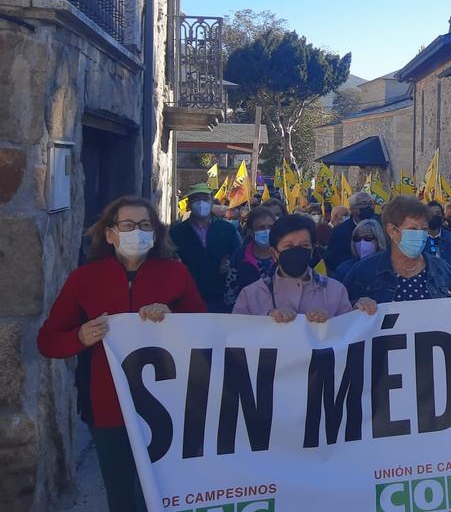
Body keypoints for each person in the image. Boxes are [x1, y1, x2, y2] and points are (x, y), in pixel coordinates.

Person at [38, 196, 206, 512]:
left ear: (156, 233)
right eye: (127, 225)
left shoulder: (175, 275)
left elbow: (201, 329)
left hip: (167, 408)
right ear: (110, 233)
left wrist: (172, 318)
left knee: (162, 493)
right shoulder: (84, 279)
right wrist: (80, 336)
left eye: (145, 225)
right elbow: (48, 341)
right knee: (121, 497)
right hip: (106, 409)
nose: (136, 232)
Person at [234, 214, 376, 322]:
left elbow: (349, 338)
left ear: (312, 250)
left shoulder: (335, 291)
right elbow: (236, 340)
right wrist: (266, 320)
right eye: (289, 246)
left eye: (304, 246)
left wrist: (333, 322)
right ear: (274, 253)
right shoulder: (252, 295)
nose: (297, 251)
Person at [345, 196, 451, 303]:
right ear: (392, 231)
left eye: (424, 229)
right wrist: (355, 305)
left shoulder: (442, 270)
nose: (420, 235)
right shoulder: (363, 272)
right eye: (413, 229)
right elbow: (340, 314)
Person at [170, 183, 240, 313]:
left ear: (211, 202)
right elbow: (170, 260)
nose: (201, 203)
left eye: (205, 199)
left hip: (221, 297)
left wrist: (227, 264)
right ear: (189, 204)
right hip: (188, 296)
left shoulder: (227, 229)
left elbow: (237, 256)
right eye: (196, 199)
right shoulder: (177, 232)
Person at [225, 206, 277, 309]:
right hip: (248, 317)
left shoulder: (284, 255)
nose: (267, 231)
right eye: (261, 228)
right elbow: (230, 293)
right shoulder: (240, 256)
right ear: (251, 231)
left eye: (270, 227)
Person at [324, 192, 376, 276]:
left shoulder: (381, 226)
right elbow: (331, 259)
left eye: (371, 203)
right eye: (363, 204)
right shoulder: (339, 231)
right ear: (352, 209)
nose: (368, 206)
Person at [333, 218, 386, 282]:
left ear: (378, 240)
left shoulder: (388, 269)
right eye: (357, 238)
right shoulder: (344, 269)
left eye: (368, 238)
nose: (362, 242)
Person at [425, 201, 451, 284]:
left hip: (446, 283)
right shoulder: (420, 238)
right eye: (431, 213)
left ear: (442, 216)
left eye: (438, 213)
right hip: (427, 283)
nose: (434, 216)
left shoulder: (450, 237)